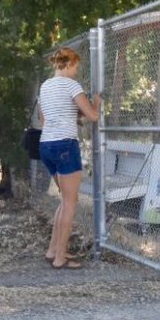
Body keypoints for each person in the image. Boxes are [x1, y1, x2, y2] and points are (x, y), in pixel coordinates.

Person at [36, 46, 101, 269]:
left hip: (46, 145)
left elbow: (44, 120)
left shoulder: (45, 86)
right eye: (76, 67)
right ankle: (60, 258)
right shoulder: (72, 85)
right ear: (70, 64)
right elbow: (93, 115)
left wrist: (72, 115)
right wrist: (97, 101)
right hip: (65, 145)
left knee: (64, 200)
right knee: (70, 203)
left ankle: (53, 250)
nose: (77, 71)